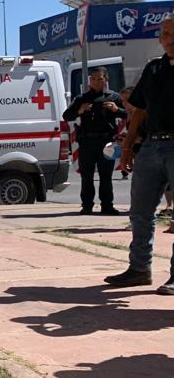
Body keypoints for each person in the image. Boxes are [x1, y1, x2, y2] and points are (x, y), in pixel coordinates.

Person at [107, 17, 174, 291]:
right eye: (165, 33)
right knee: (140, 211)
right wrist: (128, 147)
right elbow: (139, 110)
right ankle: (139, 269)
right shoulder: (154, 68)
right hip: (151, 146)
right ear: (159, 39)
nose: (170, 38)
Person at [63, 68, 126, 214]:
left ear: (106, 80)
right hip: (87, 142)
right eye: (94, 79)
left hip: (106, 141)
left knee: (106, 176)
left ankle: (107, 205)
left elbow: (128, 114)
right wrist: (80, 110)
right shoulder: (82, 99)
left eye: (100, 79)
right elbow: (66, 116)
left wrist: (116, 109)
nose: (97, 82)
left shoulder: (114, 97)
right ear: (90, 80)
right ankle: (87, 206)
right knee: (87, 175)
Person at [119, 87, 134, 179]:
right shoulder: (129, 113)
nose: (124, 104)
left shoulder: (142, 113)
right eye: (122, 100)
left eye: (127, 100)